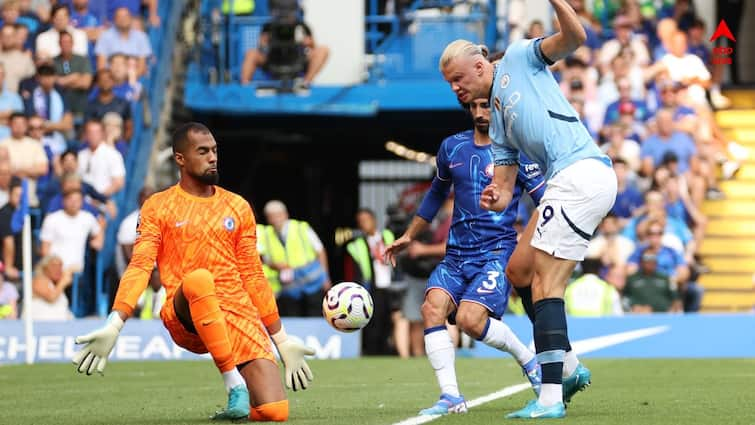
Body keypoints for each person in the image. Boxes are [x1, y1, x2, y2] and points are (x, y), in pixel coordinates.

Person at [438, 0, 617, 418]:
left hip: (582, 174)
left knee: (545, 284)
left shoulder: (520, 56)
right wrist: (495, 197)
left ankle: (552, 398)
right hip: (565, 181)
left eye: (459, 79)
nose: (456, 89)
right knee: (519, 269)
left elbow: (574, 39)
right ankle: (567, 366)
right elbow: (503, 188)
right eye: (450, 84)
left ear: (481, 67)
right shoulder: (497, 121)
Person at [71, 122, 315, 422]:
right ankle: (232, 382)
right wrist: (115, 323)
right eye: (203, 151)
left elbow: (253, 275)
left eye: (214, 150)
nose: (213, 157)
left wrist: (282, 339)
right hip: (185, 310)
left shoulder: (237, 206)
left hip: (235, 313)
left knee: (274, 413)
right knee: (200, 280)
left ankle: (242, 396)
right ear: (180, 159)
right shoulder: (158, 206)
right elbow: (141, 265)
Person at [385, 97, 545, 416]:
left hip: (496, 252)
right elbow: (435, 195)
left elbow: (544, 201)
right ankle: (450, 396)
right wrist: (409, 235)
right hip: (456, 253)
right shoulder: (452, 148)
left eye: (484, 105)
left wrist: (537, 247)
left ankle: (529, 361)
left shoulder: (516, 150)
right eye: (472, 107)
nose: (478, 113)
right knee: (431, 308)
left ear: (497, 107)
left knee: (470, 321)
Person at [344, 207, 404, 356]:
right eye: (361, 222)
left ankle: (391, 351)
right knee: (373, 322)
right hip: (372, 288)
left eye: (367, 220)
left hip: (392, 286)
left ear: (374, 221)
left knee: (392, 321)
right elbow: (355, 272)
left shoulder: (388, 236)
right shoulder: (356, 245)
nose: (364, 224)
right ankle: (372, 352)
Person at [257, 199, 331, 317]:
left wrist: (325, 277)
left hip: (312, 282)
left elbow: (320, 251)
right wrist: (275, 265)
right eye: (272, 216)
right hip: (289, 286)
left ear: (286, 214)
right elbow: (263, 259)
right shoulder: (266, 234)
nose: (276, 219)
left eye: (279, 215)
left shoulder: (301, 227)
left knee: (315, 314)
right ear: (268, 218)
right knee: (292, 316)